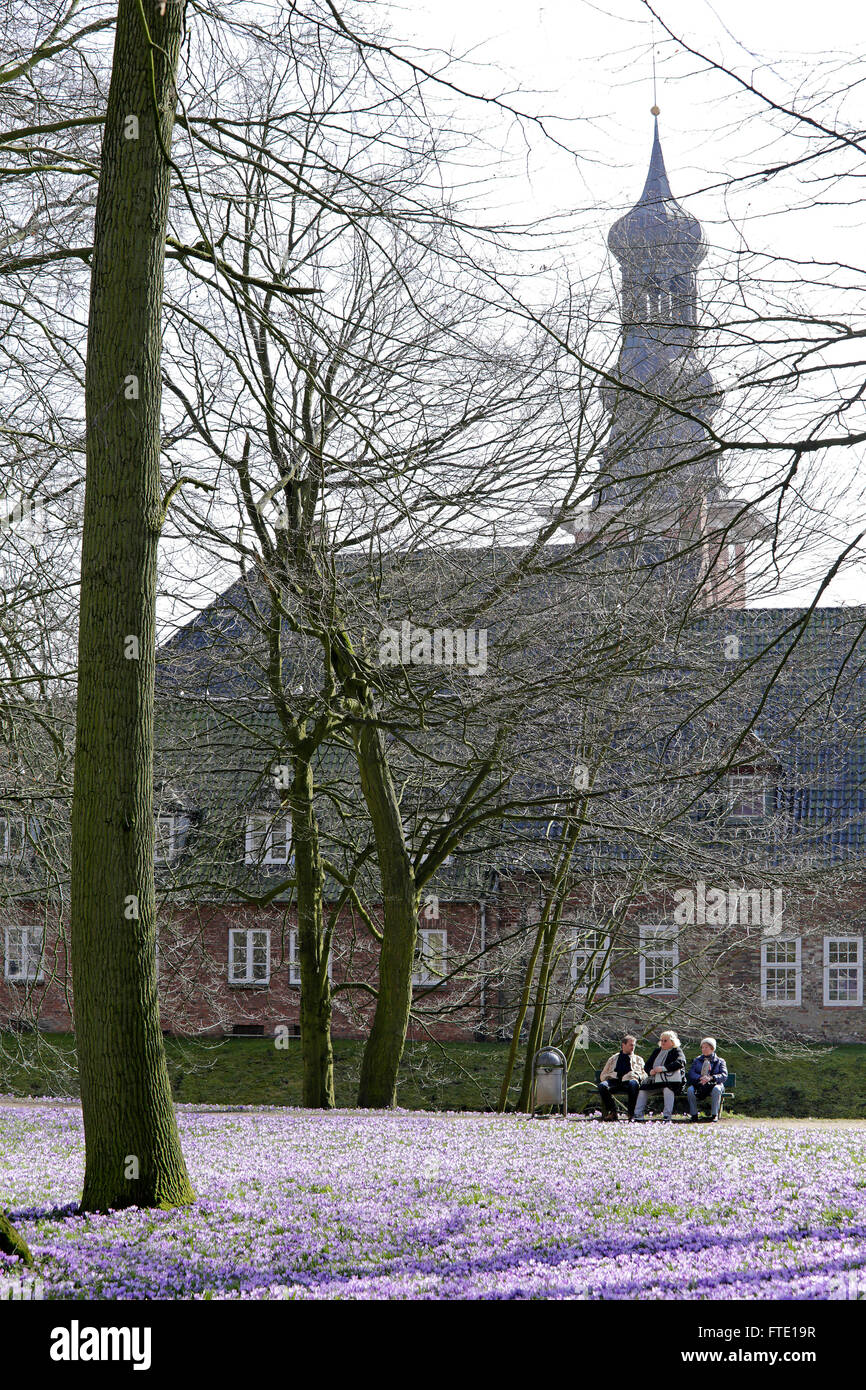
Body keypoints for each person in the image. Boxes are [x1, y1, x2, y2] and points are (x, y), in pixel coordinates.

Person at [632, 1030, 687, 1123]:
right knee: (643, 1090)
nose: (663, 1042)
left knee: (667, 1089)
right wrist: (650, 1071)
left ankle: (667, 1116)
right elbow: (647, 1065)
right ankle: (638, 1115)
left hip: (671, 1082)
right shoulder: (657, 1051)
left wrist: (663, 1068)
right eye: (661, 1040)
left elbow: (681, 1063)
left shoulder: (676, 1050)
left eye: (665, 1040)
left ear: (672, 1042)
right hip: (656, 1081)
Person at [597, 1035, 646, 1120]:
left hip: (630, 1081)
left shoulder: (638, 1059)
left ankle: (631, 1113)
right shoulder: (613, 1058)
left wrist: (637, 1076)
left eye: (634, 1045)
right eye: (631, 1045)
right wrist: (610, 1076)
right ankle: (613, 1112)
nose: (633, 1047)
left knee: (633, 1084)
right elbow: (603, 1075)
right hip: (614, 1081)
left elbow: (645, 1074)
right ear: (623, 1045)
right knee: (602, 1085)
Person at [686, 1037, 728, 1121]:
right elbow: (691, 1073)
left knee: (717, 1089)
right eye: (702, 1047)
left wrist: (711, 1078)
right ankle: (694, 1115)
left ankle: (714, 1114)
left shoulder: (720, 1061)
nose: (703, 1049)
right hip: (700, 1084)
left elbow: (724, 1075)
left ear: (712, 1048)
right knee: (690, 1090)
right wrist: (700, 1078)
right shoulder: (697, 1060)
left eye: (706, 1047)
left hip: (714, 1084)